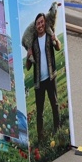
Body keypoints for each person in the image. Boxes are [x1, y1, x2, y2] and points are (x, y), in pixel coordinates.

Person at [25, 11, 62, 143]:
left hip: (51, 77)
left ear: (45, 23)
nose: (40, 25)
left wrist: (55, 40)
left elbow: (58, 48)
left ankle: (57, 129)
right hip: (38, 82)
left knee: (55, 104)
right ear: (35, 26)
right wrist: (28, 56)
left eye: (41, 22)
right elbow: (28, 67)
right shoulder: (33, 43)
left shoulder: (49, 36)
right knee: (39, 111)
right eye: (38, 23)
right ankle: (41, 137)